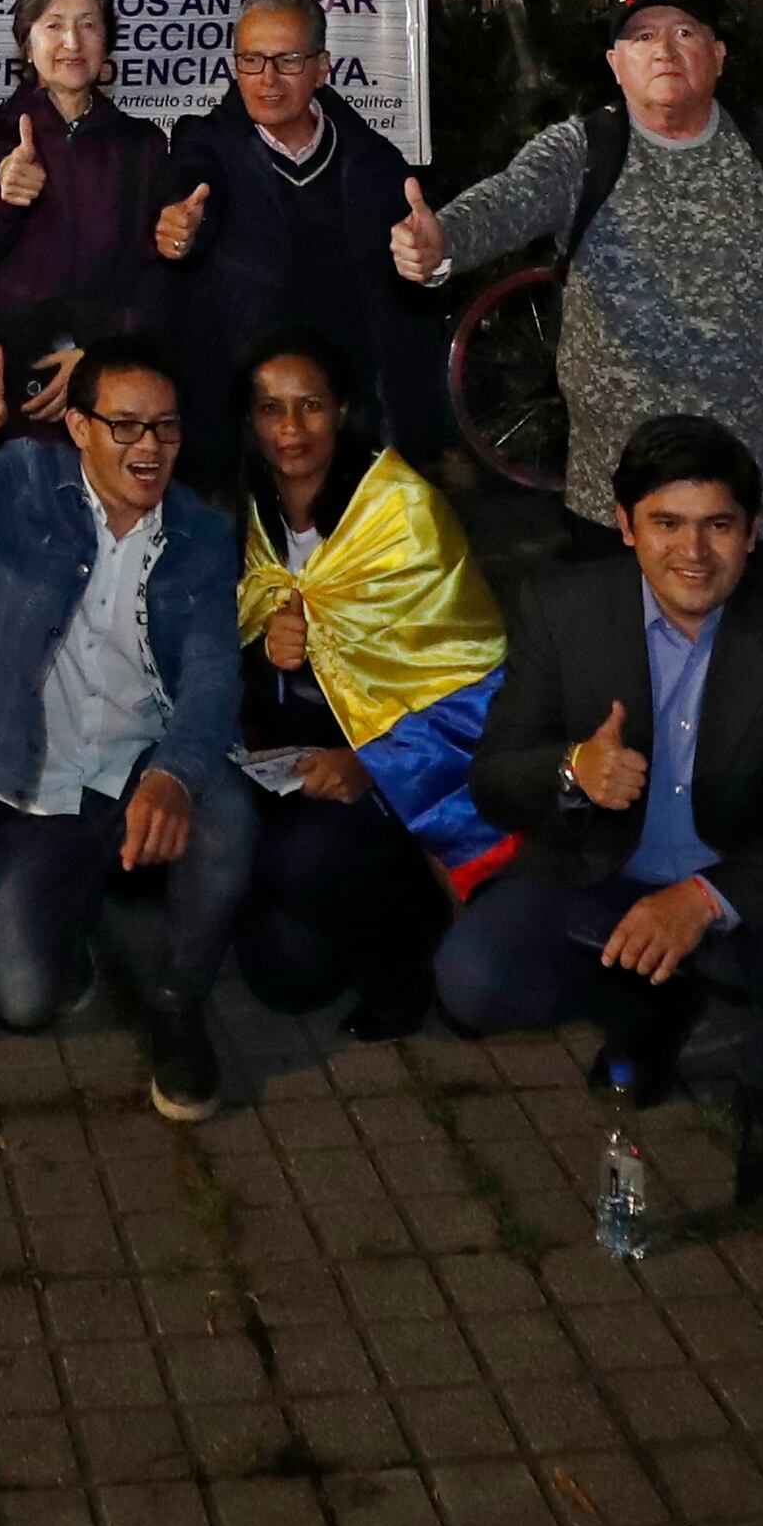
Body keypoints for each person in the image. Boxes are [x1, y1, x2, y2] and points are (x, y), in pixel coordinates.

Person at [445, 416, 763, 1230]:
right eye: (667, 524)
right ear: (625, 524)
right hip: (603, 875)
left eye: (717, 526)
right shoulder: (562, 608)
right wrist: (571, 770)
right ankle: (644, 1005)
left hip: (740, 883)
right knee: (472, 979)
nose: (693, 552)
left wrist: (704, 899)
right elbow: (494, 777)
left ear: (753, 531)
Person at [0, 333, 252, 1121]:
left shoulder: (200, 532)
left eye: (166, 426)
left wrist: (172, 775)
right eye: (125, 425)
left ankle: (179, 999)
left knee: (227, 813)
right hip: (28, 779)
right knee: (26, 997)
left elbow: (212, 676)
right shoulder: (28, 480)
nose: (149, 447)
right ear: (77, 427)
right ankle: (78, 912)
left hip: (138, 764)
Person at [395, 0, 763, 539]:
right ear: (614, 63)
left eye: (684, 34)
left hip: (756, 500)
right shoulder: (584, 150)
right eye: (642, 39)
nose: (664, 51)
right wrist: (439, 240)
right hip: (615, 499)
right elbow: (502, 203)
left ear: (718, 55)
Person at [222, 331, 501, 1043]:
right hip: (292, 774)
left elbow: (472, 682)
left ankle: (410, 971)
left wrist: (369, 766)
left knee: (302, 863)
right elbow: (238, 653)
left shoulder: (401, 512)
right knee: (285, 977)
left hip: (399, 787)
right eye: (270, 409)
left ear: (343, 409)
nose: (291, 430)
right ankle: (363, 924)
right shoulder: (248, 512)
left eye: (310, 406)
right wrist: (265, 652)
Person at [159, 0, 440, 488]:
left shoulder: (370, 161)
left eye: (287, 60)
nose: (267, 79)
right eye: (251, 60)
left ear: (322, 67)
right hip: (237, 429)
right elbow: (190, 190)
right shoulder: (205, 143)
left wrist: (429, 261)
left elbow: (412, 284)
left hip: (346, 424)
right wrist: (180, 231)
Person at [0, 0, 179, 415]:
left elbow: (156, 277)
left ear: (107, 43)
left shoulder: (143, 145)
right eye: (54, 26)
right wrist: (1, 193)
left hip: (108, 386)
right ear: (27, 44)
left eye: (88, 25)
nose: (72, 43)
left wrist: (99, 350)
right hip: (4, 393)